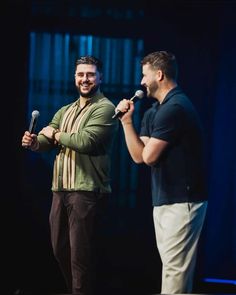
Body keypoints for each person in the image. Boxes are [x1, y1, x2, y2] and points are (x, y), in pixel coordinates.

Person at [22, 55, 119, 295]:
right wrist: (35, 143)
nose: (84, 79)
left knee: (80, 258)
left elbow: (86, 141)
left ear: (100, 77)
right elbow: (47, 138)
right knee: (59, 250)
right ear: (74, 77)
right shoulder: (66, 110)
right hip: (60, 189)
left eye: (90, 74)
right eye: (80, 75)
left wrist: (55, 135)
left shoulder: (106, 108)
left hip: (86, 191)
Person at [115, 51, 208, 294]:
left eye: (144, 75)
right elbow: (138, 157)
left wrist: (138, 139)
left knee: (175, 271)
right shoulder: (154, 111)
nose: (141, 82)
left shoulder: (175, 107)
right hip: (164, 198)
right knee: (171, 267)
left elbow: (150, 156)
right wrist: (126, 123)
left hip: (183, 200)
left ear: (159, 74)